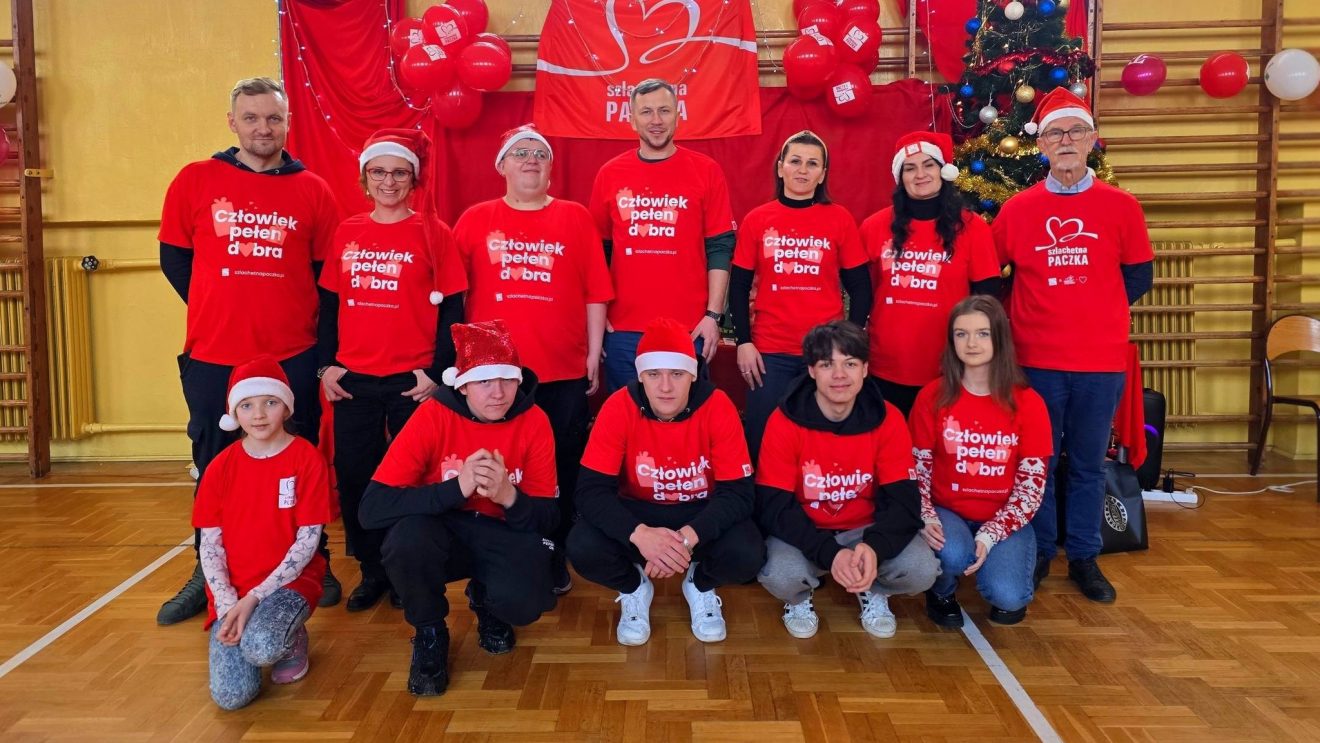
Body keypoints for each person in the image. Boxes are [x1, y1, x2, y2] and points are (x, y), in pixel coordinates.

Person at [158, 76, 341, 625]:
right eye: (253, 117)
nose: (264, 128)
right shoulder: (195, 180)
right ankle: (206, 570)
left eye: (274, 118)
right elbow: (175, 261)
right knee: (214, 462)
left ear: (287, 123)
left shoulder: (314, 189)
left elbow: (324, 279)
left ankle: (314, 563)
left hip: (293, 353)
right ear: (232, 122)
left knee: (300, 458)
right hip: (215, 353)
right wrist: (223, 304)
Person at [992, 87, 1153, 603]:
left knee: (1086, 463)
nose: (1065, 141)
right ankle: (1039, 551)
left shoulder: (1121, 207)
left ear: (1091, 141)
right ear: (1040, 145)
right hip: (1035, 361)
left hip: (1099, 361)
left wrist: (1096, 311)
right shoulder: (1017, 211)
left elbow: (1139, 277)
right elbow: (993, 278)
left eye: (1075, 132)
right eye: (1055, 133)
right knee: (1038, 460)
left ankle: (1083, 556)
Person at [358, 320, 559, 697]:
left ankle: (487, 602)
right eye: (484, 381)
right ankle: (430, 631)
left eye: (507, 380)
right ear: (463, 384)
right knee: (406, 538)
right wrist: (458, 487)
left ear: (519, 381)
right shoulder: (433, 416)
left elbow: (549, 519)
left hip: (501, 532)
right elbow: (373, 509)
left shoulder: (535, 421)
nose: (498, 394)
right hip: (442, 534)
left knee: (530, 602)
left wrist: (508, 497)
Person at [453, 124, 613, 595]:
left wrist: (592, 354)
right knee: (493, 464)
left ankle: (552, 550)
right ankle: (491, 552)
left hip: (560, 369)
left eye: (540, 154)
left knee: (557, 467)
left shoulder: (575, 217)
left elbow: (595, 294)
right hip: (491, 375)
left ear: (550, 168)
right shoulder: (474, 219)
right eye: (519, 153)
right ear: (501, 166)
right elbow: (450, 297)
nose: (530, 160)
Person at [318, 129, 468, 612]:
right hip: (355, 381)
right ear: (365, 179)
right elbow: (328, 305)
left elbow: (454, 310)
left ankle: (409, 570)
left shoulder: (435, 234)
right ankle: (371, 570)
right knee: (358, 475)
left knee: (411, 480)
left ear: (413, 178)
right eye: (378, 172)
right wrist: (326, 366)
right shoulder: (347, 232)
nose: (388, 180)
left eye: (398, 172)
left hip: (413, 383)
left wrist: (438, 372)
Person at [568, 317, 763, 646]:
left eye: (676, 374)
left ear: (692, 374)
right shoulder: (618, 406)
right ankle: (634, 586)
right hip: (638, 511)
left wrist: (685, 540)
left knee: (749, 552)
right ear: (641, 376)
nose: (666, 387)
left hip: (700, 512)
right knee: (582, 546)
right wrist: (640, 535)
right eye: (654, 374)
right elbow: (590, 492)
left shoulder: (718, 406)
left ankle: (699, 583)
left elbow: (739, 494)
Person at [755, 321, 938, 639]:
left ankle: (872, 586)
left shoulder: (888, 417)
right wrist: (830, 553)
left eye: (850, 364)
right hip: (805, 529)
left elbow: (904, 501)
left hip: (865, 530)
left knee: (923, 569)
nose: (839, 375)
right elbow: (773, 505)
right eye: (827, 364)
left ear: (865, 369)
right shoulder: (784, 420)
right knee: (781, 575)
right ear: (812, 371)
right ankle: (799, 597)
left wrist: (874, 548)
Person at [193, 359, 333, 710]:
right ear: (234, 413)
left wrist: (254, 598)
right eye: (247, 405)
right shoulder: (220, 467)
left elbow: (307, 542)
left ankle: (292, 636)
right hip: (233, 591)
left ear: (286, 407)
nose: (258, 414)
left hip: (289, 584)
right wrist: (227, 607)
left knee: (262, 645)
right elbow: (209, 546)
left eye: (270, 402)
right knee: (230, 697)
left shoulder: (307, 459)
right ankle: (253, 625)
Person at [909, 296, 1051, 628]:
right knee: (953, 552)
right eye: (961, 334)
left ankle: (997, 570)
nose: (971, 343)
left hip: (1003, 516)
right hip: (948, 511)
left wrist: (990, 534)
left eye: (982, 333)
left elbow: (1031, 491)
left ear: (999, 338)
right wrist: (926, 517)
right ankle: (941, 590)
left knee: (1009, 597)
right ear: (951, 340)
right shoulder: (932, 396)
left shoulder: (1028, 403)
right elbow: (917, 472)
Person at [730, 130, 872, 461]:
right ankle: (762, 511)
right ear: (780, 168)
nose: (803, 170)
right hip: (770, 353)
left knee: (820, 444)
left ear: (822, 174)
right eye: (795, 161)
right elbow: (737, 287)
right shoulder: (757, 219)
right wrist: (744, 343)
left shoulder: (839, 219)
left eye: (812, 164)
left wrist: (846, 346)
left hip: (824, 354)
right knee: (763, 443)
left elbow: (861, 286)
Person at [588, 79, 737, 391]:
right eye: (646, 112)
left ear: (677, 115)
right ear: (632, 119)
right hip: (624, 330)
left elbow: (720, 248)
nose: (656, 120)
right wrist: (598, 320)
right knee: (628, 424)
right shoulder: (609, 173)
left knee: (684, 428)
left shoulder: (706, 170)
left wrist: (713, 315)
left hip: (689, 329)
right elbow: (597, 254)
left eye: (664, 111)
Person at [860, 131, 1001, 417]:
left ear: (943, 171)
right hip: (886, 364)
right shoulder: (874, 226)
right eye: (910, 168)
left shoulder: (972, 228)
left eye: (928, 165)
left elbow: (987, 299)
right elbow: (863, 293)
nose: (920, 174)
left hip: (948, 365)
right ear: (900, 177)